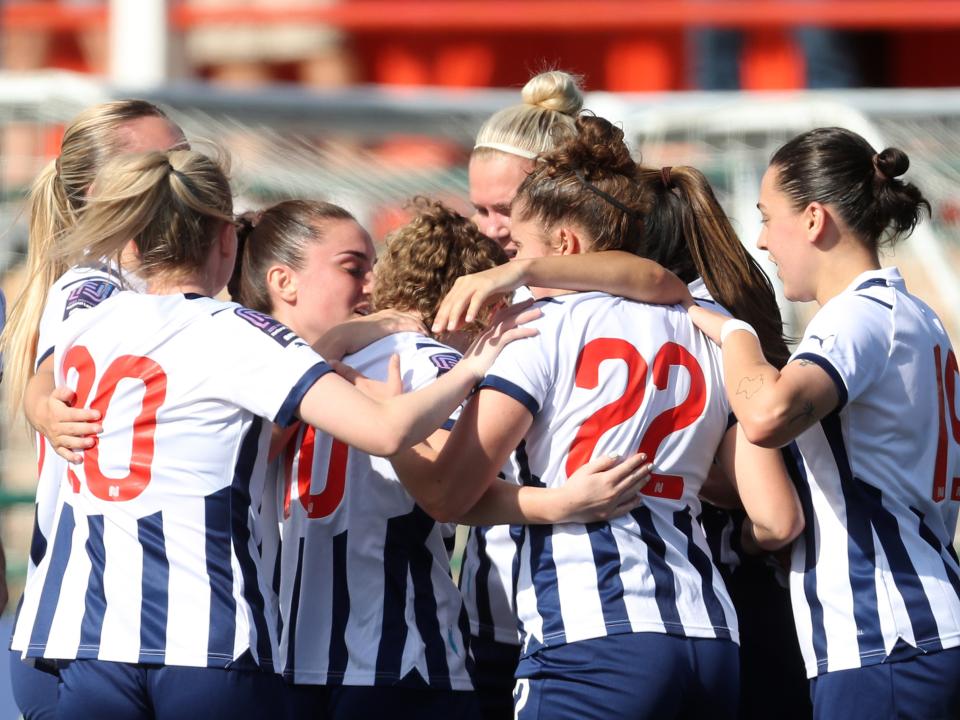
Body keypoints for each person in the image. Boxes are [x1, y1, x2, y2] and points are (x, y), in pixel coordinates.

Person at [11, 148, 535, 720]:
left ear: (133, 243)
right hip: (209, 641)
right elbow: (390, 434)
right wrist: (475, 367)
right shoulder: (238, 334)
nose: (369, 285)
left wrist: (40, 405)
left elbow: (43, 374)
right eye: (354, 266)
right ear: (225, 242)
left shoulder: (90, 316)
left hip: (88, 637)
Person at [398, 115, 803, 719]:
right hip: (711, 634)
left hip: (592, 638)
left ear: (564, 248)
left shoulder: (536, 327)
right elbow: (766, 507)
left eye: (521, 249)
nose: (505, 255)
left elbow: (444, 493)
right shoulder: (704, 323)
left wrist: (389, 422)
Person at [237, 197, 651, 719]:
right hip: (386, 660)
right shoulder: (425, 362)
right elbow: (451, 486)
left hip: (322, 660)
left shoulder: (276, 373)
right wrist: (557, 503)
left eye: (374, 268)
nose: (369, 283)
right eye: (353, 268)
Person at [687, 126, 960, 719]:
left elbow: (768, 415)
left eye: (767, 217)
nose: (761, 240)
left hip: (886, 637)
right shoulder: (911, 313)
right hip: (918, 626)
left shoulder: (858, 316)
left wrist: (735, 334)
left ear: (813, 219)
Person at [0, 99, 188, 720]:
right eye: (155, 162)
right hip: (87, 629)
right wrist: (38, 393)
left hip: (153, 627)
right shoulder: (93, 284)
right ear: (91, 190)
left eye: (182, 158)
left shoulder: (191, 284)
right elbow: (59, 365)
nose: (175, 175)